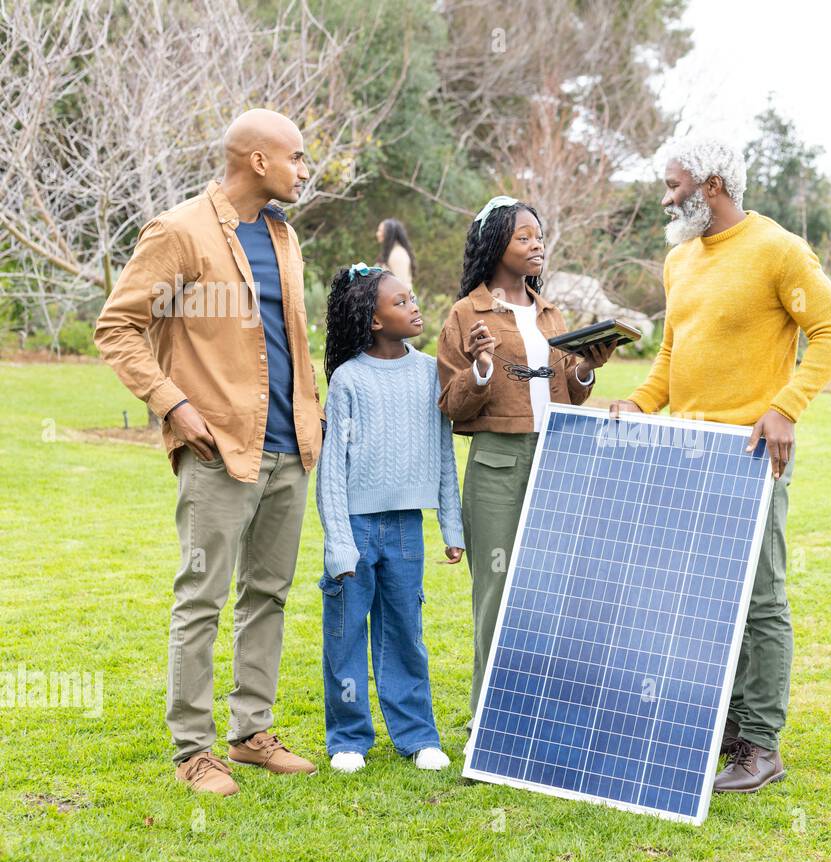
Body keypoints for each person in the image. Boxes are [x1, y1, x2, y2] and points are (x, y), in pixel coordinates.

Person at [610, 137, 831, 794]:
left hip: (751, 455)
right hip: (689, 455)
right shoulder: (679, 259)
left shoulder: (777, 249)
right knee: (708, 598)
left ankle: (760, 745)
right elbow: (672, 353)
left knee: (762, 598)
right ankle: (721, 726)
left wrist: (786, 406)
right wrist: (637, 403)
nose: (666, 197)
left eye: (675, 184)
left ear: (713, 184)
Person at [94, 109, 322, 795]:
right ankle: (193, 751)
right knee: (202, 598)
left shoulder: (284, 236)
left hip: (289, 446)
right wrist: (173, 404)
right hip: (218, 447)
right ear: (257, 160)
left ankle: (251, 733)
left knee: (269, 594)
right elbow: (118, 326)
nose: (306, 170)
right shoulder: (179, 231)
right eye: (298, 157)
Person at [436, 196, 616, 724]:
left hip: (558, 456)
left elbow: (572, 391)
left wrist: (585, 369)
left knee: (553, 583)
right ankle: (490, 718)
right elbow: (450, 403)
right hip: (497, 464)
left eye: (540, 236)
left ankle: (547, 708)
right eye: (525, 237)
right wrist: (484, 368)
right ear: (496, 246)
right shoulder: (466, 313)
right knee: (497, 588)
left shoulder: (550, 312)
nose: (537, 245)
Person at [316, 263, 465, 774]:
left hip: (406, 528)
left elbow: (443, 452)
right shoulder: (349, 378)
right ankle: (349, 739)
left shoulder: (429, 373)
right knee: (345, 635)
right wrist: (339, 543)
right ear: (374, 319)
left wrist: (451, 525)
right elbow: (332, 469)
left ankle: (418, 735)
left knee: (405, 632)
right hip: (355, 527)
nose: (414, 306)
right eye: (400, 302)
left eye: (413, 298)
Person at [375, 218, 414, 287]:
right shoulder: (390, 252)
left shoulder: (398, 255)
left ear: (388, 234)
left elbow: (401, 286)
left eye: (380, 231)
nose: (377, 234)